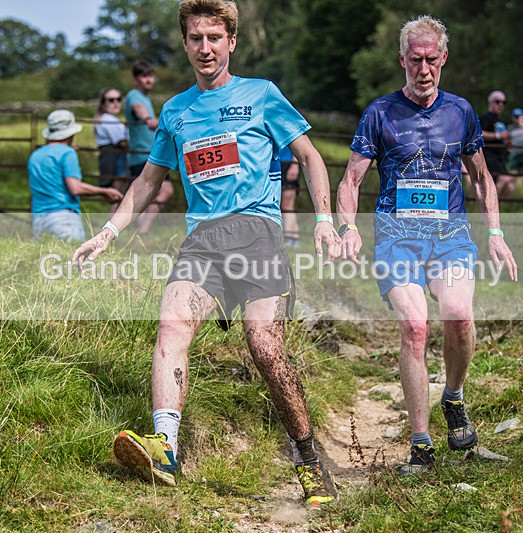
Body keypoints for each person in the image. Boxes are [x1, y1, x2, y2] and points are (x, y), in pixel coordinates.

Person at [73, 0, 341, 508]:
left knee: (265, 348)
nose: (205, 48)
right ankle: (166, 450)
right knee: (171, 323)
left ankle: (309, 460)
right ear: (185, 44)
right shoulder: (175, 111)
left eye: (214, 37)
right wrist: (107, 233)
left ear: (231, 42)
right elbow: (150, 179)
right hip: (202, 241)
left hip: (257, 234)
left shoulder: (261, 95)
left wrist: (324, 219)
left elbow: (309, 156)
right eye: (195, 38)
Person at [336, 15, 517, 474]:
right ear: (401, 60)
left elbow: (482, 177)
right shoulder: (379, 113)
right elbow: (351, 180)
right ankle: (421, 445)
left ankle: (453, 398)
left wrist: (495, 233)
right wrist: (349, 228)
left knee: (458, 317)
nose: (423, 69)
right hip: (396, 238)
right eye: (414, 60)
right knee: (415, 328)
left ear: (444, 59)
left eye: (431, 60)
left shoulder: (462, 112)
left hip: (450, 236)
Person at [28, 110, 123, 242]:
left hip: (38, 219)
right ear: (71, 133)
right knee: (72, 259)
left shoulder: (35, 155)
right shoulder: (67, 153)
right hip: (63, 218)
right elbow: (75, 188)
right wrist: (104, 191)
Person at [125, 60, 174, 234]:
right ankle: (142, 229)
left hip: (150, 153)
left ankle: (141, 229)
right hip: (142, 154)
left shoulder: (144, 97)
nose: (148, 80)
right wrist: (147, 119)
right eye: (144, 76)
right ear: (136, 80)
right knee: (160, 190)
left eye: (150, 76)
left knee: (157, 191)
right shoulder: (134, 96)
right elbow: (138, 109)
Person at [93, 87, 129, 203]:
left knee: (118, 198)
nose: (116, 103)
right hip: (115, 161)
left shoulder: (108, 119)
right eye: (111, 100)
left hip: (110, 160)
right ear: (103, 103)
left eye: (118, 99)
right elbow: (122, 143)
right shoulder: (108, 120)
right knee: (118, 197)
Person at [479, 90, 509, 194]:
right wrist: (498, 135)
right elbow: (479, 133)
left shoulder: (500, 120)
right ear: (490, 102)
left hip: (499, 157)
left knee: (508, 184)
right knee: (504, 179)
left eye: (503, 102)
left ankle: (500, 207)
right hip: (489, 155)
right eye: (497, 101)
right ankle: (491, 205)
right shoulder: (485, 117)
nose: (501, 105)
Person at [501, 107, 523, 198]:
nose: (517, 119)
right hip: (514, 154)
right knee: (511, 178)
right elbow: (505, 141)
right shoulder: (510, 128)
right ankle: (510, 200)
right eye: (515, 117)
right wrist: (508, 143)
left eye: (519, 116)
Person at [279, 145, 301, 247]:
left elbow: (298, 142)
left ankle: (290, 237)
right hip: (276, 162)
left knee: (287, 204)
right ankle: (292, 237)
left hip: (287, 163)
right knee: (281, 204)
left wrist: (294, 165)